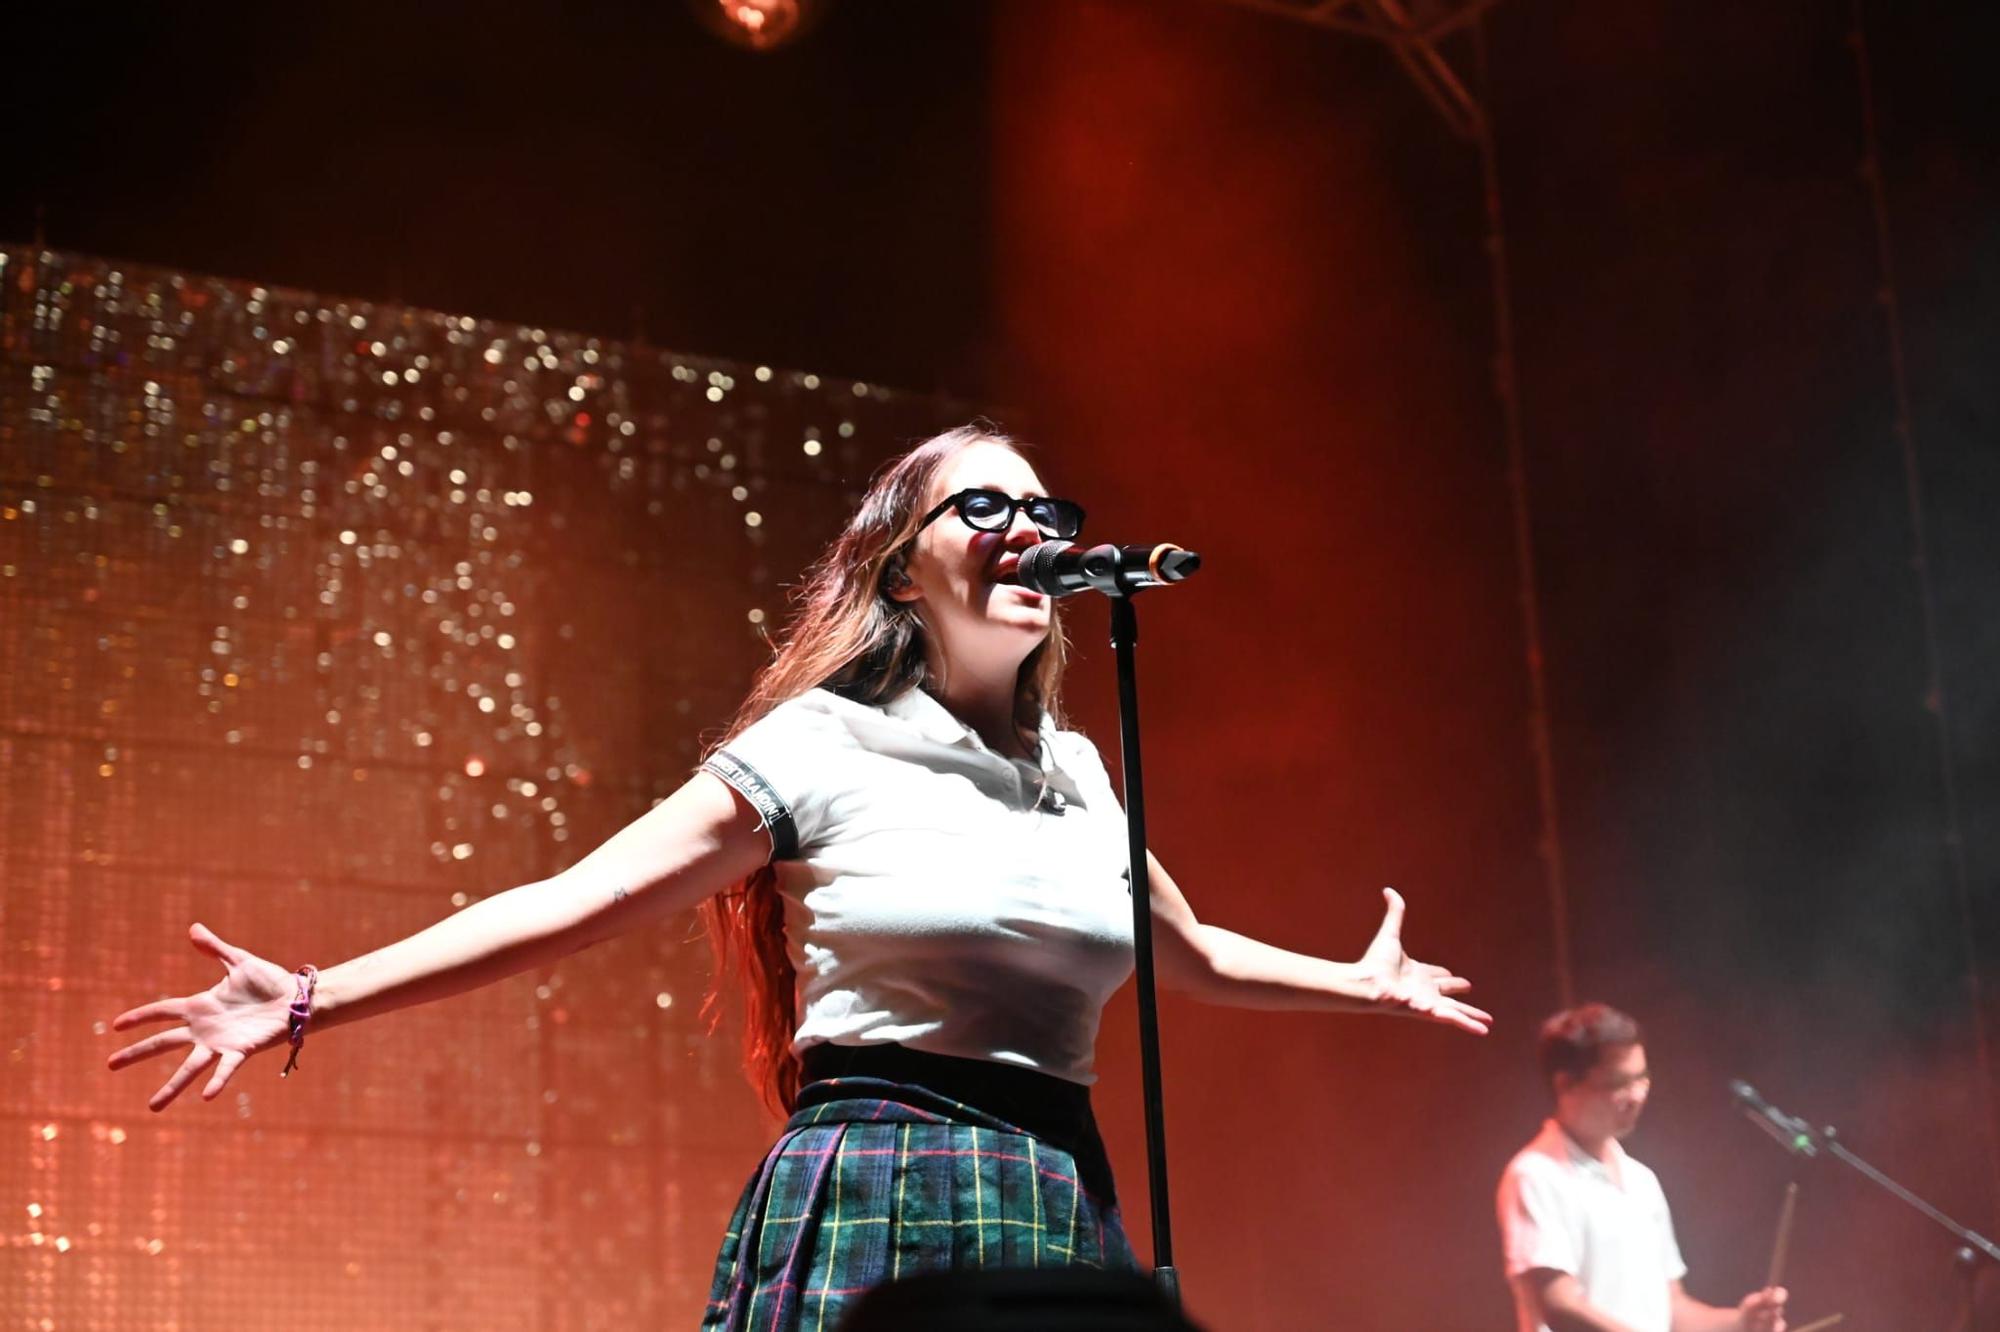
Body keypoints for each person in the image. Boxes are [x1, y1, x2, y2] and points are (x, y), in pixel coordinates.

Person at [107, 423, 1493, 1331]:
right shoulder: (820, 746)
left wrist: (1359, 984)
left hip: (1053, 1182)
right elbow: (577, 899)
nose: (1026, 526)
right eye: (982, 504)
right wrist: (308, 995)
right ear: (903, 570)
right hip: (882, 1170)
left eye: (1042, 504)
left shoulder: (1080, 770)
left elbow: (1185, 954)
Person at [1497, 1003, 1788, 1332]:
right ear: (1565, 1084)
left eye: (1642, 1078)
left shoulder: (1641, 1180)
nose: (1636, 1096)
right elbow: (1559, 1306)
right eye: (1619, 1083)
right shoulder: (1536, 1174)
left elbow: (1673, 1309)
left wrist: (1740, 1323)